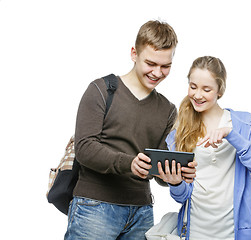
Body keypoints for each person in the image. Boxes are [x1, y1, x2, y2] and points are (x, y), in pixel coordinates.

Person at [64, 20, 196, 240]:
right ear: (134, 53)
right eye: (151, 63)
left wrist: (176, 176)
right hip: (94, 208)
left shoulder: (167, 109)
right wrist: (129, 163)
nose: (157, 72)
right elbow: (85, 148)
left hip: (142, 213)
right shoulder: (101, 90)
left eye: (166, 66)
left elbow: (158, 169)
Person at [158, 56, 251, 240]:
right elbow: (182, 197)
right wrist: (175, 183)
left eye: (206, 89)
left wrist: (231, 135)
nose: (197, 95)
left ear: (220, 90)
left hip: (236, 232)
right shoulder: (180, 132)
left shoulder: (244, 123)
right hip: (195, 231)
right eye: (193, 86)